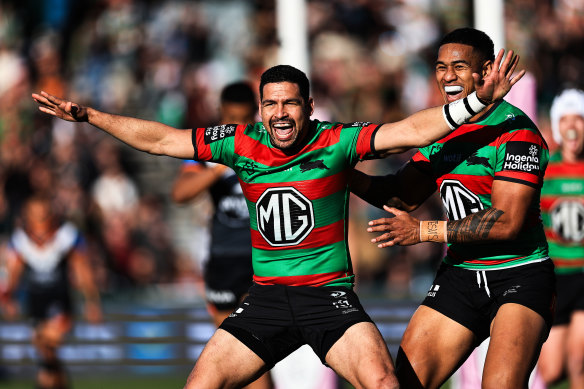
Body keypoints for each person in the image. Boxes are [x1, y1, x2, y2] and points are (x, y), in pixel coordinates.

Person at [31, 51, 522, 389]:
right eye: (271, 104)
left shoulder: (337, 140)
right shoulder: (238, 142)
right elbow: (162, 140)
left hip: (328, 299)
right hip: (265, 298)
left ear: (309, 106)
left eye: (291, 102)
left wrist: (480, 101)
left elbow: (411, 129)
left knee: (382, 381)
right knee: (200, 384)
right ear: (261, 108)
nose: (281, 113)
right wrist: (89, 116)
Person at [351, 28, 554, 389]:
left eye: (458, 66)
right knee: (406, 382)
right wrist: (340, 174)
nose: (447, 76)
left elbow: (507, 222)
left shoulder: (518, 132)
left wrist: (424, 231)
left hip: (519, 277)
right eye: (440, 66)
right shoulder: (443, 130)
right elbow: (401, 196)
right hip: (460, 275)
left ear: (486, 70)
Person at [172, 81, 274, 389]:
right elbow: (180, 192)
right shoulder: (208, 148)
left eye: (243, 121)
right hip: (222, 259)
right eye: (231, 120)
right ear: (221, 114)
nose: (237, 127)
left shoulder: (268, 144)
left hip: (260, 257)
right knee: (230, 349)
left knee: (251, 348)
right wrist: (220, 167)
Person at [0, 195, 102, 389]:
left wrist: (92, 301)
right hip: (36, 302)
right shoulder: (20, 239)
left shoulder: (67, 236)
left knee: (49, 344)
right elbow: (13, 273)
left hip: (60, 301)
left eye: (43, 215)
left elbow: (83, 271)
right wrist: (8, 298)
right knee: (46, 359)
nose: (40, 221)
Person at [538, 88, 584, 389]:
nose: (572, 126)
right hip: (554, 278)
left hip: (583, 274)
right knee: (552, 371)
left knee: (578, 361)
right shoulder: (544, 169)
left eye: (579, 119)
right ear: (557, 126)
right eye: (564, 119)